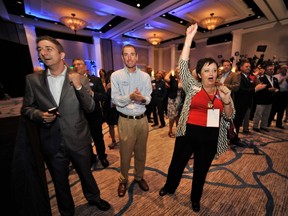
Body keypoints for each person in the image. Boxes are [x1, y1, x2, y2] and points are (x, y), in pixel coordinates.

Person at [21, 35, 111, 215]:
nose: (43, 52)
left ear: (61, 54)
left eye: (48, 48)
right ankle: (66, 210)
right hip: (51, 141)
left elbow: (90, 107)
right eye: (39, 49)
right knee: (59, 180)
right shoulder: (33, 80)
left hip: (78, 138)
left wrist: (78, 87)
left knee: (86, 174)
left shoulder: (78, 77)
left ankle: (94, 198)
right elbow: (26, 108)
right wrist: (39, 115)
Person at [158, 23, 235, 212]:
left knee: (201, 170)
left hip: (210, 136)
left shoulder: (223, 91)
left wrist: (226, 101)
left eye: (214, 70)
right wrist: (189, 39)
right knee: (177, 163)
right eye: (207, 70)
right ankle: (170, 187)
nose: (211, 73)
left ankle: (195, 198)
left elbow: (229, 116)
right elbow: (183, 65)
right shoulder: (193, 87)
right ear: (200, 74)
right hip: (188, 131)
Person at [111, 44, 152, 197]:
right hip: (125, 120)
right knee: (126, 153)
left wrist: (142, 98)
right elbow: (115, 99)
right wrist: (130, 97)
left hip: (142, 120)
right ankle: (123, 180)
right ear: (122, 57)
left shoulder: (145, 77)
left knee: (141, 152)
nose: (129, 57)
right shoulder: (116, 76)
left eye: (132, 54)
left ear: (137, 57)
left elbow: (148, 98)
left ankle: (139, 177)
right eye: (126, 54)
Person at [72, 58, 109, 168]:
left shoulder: (95, 80)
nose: (77, 66)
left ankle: (102, 156)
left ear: (84, 66)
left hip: (94, 115)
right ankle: (91, 157)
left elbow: (104, 96)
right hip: (79, 116)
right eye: (74, 64)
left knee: (98, 137)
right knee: (84, 139)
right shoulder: (70, 81)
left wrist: (92, 94)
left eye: (79, 64)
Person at [164, 68, 183, 138]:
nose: (179, 72)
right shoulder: (172, 79)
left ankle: (178, 130)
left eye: (180, 71)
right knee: (172, 117)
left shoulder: (184, 80)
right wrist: (171, 70)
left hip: (180, 100)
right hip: (172, 100)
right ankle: (170, 130)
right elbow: (166, 78)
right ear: (175, 72)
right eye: (177, 71)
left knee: (178, 116)